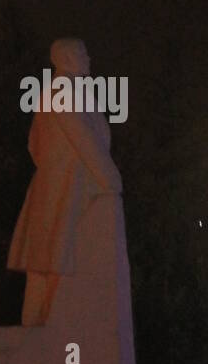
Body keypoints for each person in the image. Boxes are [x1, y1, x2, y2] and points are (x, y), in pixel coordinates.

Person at [8, 39, 122, 325]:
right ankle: (42, 333)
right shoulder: (64, 90)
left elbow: (33, 145)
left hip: (57, 184)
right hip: (67, 186)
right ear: (68, 58)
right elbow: (85, 142)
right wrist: (111, 178)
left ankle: (35, 332)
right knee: (57, 260)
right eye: (83, 53)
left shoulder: (63, 90)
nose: (88, 58)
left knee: (47, 264)